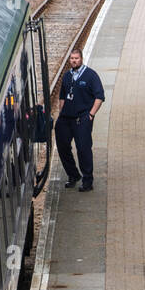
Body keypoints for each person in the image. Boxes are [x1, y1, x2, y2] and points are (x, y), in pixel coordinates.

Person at [54, 47, 104, 192]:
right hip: (66, 118)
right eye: (71, 58)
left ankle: (87, 180)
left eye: (76, 58)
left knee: (83, 149)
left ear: (81, 59)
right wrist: (61, 113)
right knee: (62, 146)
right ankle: (73, 175)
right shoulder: (67, 76)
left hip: (82, 118)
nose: (73, 61)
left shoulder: (90, 75)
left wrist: (91, 115)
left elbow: (99, 96)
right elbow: (62, 96)